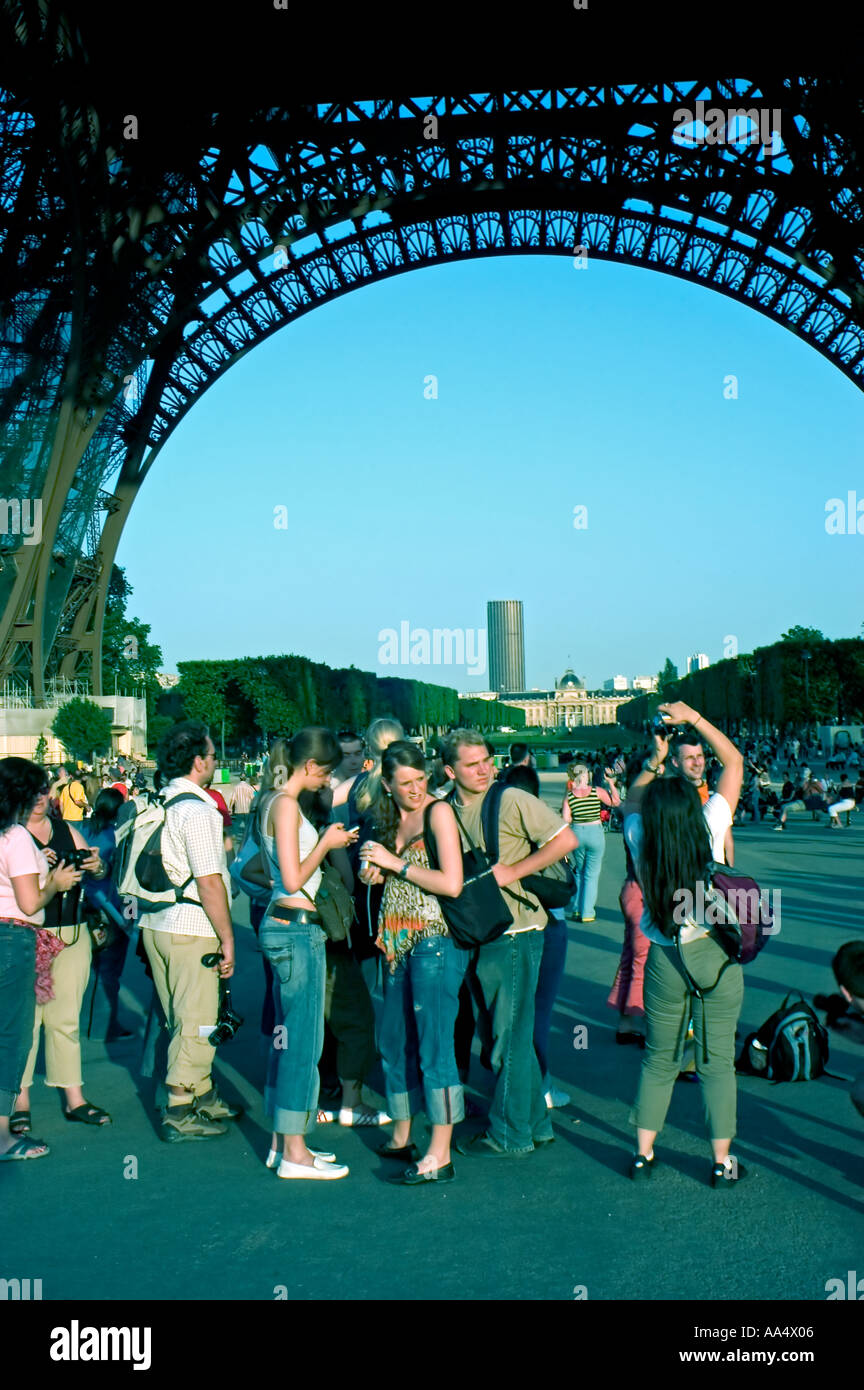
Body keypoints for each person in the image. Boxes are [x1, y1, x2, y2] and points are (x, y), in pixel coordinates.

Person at [623, 701, 745, 1186]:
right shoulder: (711, 823)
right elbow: (733, 762)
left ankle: (643, 1155)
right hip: (713, 953)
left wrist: (654, 760)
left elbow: (633, 800)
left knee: (658, 1058)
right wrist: (695, 717)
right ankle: (721, 1162)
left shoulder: (639, 833)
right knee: (717, 1064)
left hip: (665, 956)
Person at [442, 729, 578, 1158]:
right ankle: (534, 1123)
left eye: (486, 759)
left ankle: (508, 1133)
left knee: (507, 1039)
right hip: (478, 931)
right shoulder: (444, 808)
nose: (484, 768)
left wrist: (512, 871)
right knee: (508, 1034)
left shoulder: (512, 799)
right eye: (472, 763)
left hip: (517, 931)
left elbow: (566, 840)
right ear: (450, 771)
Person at [359, 741, 466, 1183]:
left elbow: (452, 884)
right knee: (393, 1041)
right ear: (387, 784)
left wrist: (394, 865)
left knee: (435, 1045)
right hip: (394, 943)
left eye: (421, 779)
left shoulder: (438, 813)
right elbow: (389, 874)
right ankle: (402, 1132)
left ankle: (440, 1152)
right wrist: (375, 871)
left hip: (435, 940)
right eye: (405, 784)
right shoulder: (384, 817)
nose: (417, 788)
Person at [258, 727, 358, 1179]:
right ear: (312, 766)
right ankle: (295, 1153)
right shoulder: (285, 804)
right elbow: (295, 879)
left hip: (281, 925)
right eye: (328, 772)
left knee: (287, 1040)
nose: (328, 782)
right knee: (303, 1043)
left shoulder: (272, 800)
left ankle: (284, 1145)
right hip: (297, 928)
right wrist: (326, 843)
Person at [142, 721, 239, 1142]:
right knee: (198, 1020)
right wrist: (228, 936)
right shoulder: (199, 811)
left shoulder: (156, 801)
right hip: (193, 926)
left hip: (156, 919)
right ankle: (180, 1107)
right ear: (199, 761)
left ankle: (203, 1092)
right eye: (213, 756)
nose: (216, 763)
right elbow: (209, 880)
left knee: (177, 1017)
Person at [12, 772, 109, 1133]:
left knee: (65, 1019)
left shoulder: (66, 829)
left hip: (71, 933)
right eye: (31, 790)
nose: (40, 797)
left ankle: (74, 1098)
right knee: (26, 1023)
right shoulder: (9, 835)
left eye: (43, 789)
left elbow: (99, 873)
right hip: (28, 934)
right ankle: (18, 1100)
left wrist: (97, 866)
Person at [0, 759, 82, 1161]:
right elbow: (31, 901)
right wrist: (56, 883)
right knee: (11, 1036)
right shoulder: (13, 835)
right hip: (12, 938)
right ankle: (3, 1134)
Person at [502, 760, 570, 1109]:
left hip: (505, 928)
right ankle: (539, 1086)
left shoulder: (494, 823)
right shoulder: (542, 825)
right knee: (538, 1013)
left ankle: (513, 1084)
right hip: (548, 925)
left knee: (512, 1015)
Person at [82, 789, 137, 1042]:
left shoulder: (83, 831)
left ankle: (87, 1021)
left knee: (90, 971)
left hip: (85, 908)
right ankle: (106, 1026)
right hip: (112, 909)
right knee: (110, 971)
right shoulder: (119, 837)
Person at [561, 761, 619, 923]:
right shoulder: (596, 791)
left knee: (580, 872)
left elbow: (566, 819)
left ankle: (577, 909)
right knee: (591, 875)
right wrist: (611, 784)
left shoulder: (569, 795)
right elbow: (616, 801)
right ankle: (587, 911)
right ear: (586, 775)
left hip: (578, 832)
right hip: (595, 832)